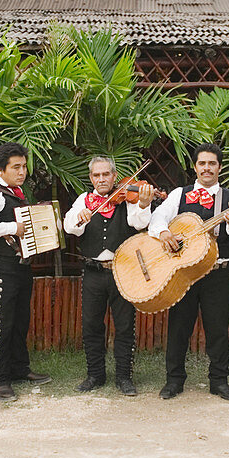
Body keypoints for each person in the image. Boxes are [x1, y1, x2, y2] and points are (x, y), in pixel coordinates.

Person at [148, 142, 229, 401]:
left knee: (217, 329)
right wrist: (165, 232)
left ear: (219, 167)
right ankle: (174, 381)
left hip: (218, 273)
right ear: (195, 167)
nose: (207, 168)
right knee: (179, 327)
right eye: (202, 163)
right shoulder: (178, 195)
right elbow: (157, 217)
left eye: (212, 163)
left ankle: (219, 381)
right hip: (185, 273)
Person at [63, 156, 153, 395]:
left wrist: (143, 204)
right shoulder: (84, 199)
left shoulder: (128, 198)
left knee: (124, 325)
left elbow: (138, 223)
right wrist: (80, 217)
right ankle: (95, 375)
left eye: (106, 174)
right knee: (91, 324)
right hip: (93, 271)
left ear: (114, 176)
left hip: (123, 271)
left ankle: (124, 377)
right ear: (91, 178)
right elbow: (69, 226)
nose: (101, 179)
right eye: (96, 175)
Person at [0, 142, 51, 402]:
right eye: (16, 167)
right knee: (2, 324)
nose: (22, 171)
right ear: (0, 169)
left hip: (19, 266)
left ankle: (19, 368)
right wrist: (11, 228)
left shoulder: (15, 192)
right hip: (1, 267)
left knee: (19, 320)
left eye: (24, 166)